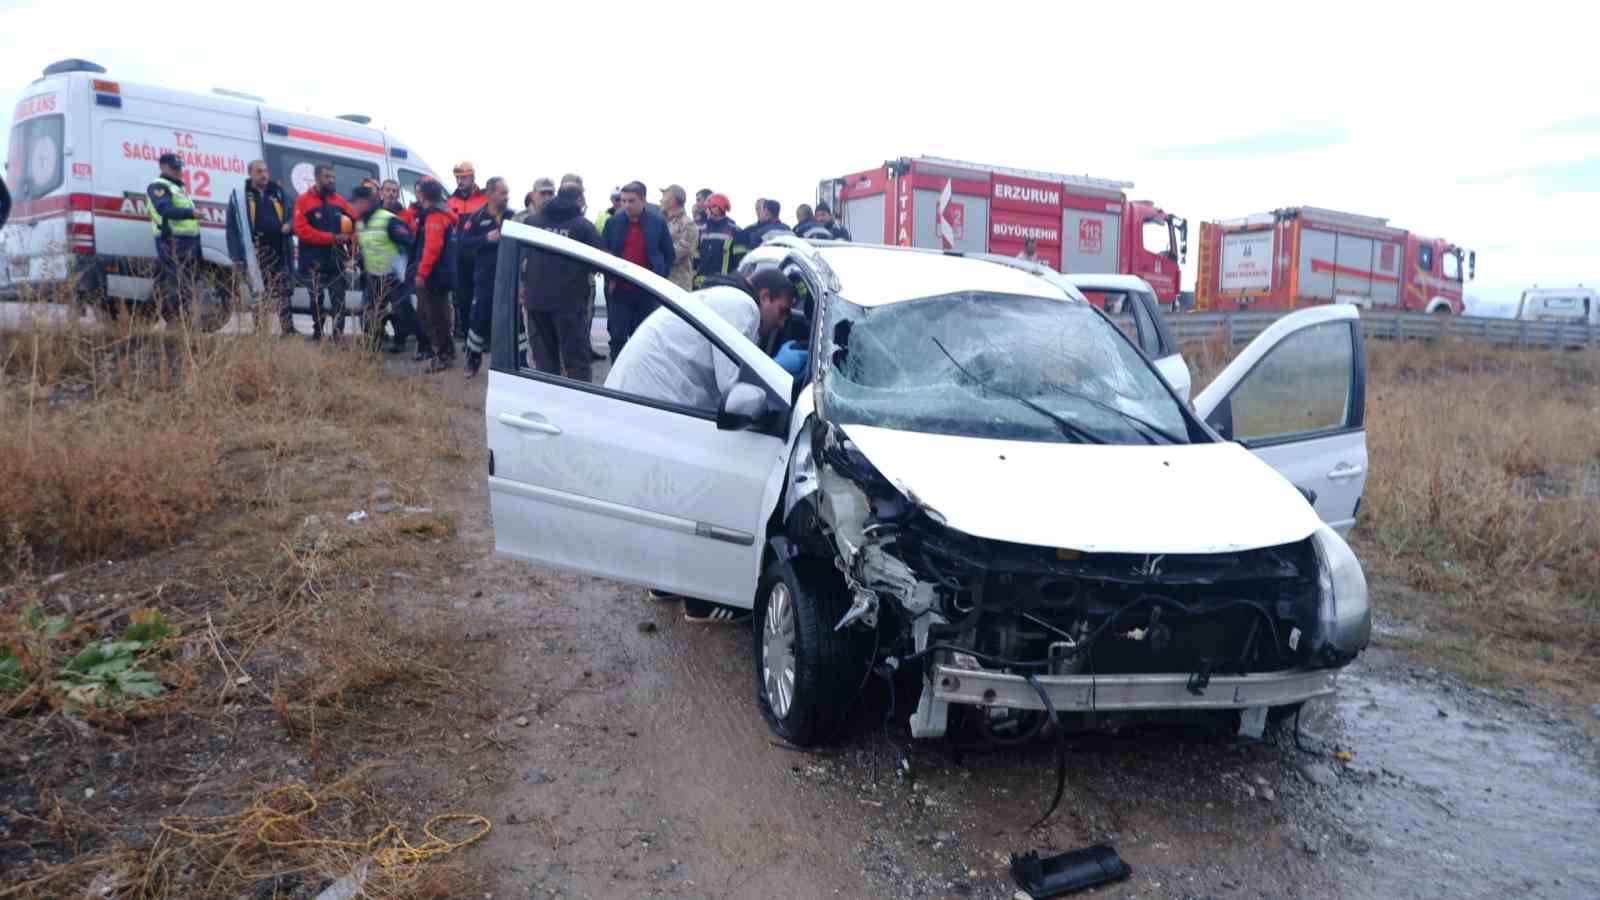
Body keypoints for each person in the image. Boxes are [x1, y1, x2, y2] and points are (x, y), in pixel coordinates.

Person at [524, 183, 603, 382]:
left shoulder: (532, 222)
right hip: (570, 304)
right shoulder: (583, 226)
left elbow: (519, 256)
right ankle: (581, 404)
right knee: (576, 361)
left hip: (536, 301)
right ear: (578, 200)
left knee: (545, 361)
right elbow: (599, 262)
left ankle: (550, 402)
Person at [601, 181, 675, 360]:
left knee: (642, 338)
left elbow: (669, 255)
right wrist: (609, 277)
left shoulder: (657, 223)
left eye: (631, 201)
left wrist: (659, 279)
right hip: (619, 291)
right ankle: (616, 380)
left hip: (646, 292)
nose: (626, 205)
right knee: (618, 337)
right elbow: (603, 253)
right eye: (623, 200)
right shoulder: (613, 223)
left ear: (643, 200)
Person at [225, 159, 295, 335]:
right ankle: (260, 331)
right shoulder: (240, 195)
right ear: (250, 174)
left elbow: (294, 214)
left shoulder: (278, 193)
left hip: (279, 252)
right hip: (254, 253)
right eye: (259, 171)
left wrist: (289, 224)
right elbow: (232, 228)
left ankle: (288, 330)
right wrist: (235, 255)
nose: (264, 174)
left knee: (283, 294)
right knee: (259, 294)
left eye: (265, 171)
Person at [292, 163, 358, 342]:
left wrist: (351, 248)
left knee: (339, 298)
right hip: (313, 259)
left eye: (333, 177)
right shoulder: (303, 201)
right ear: (317, 177)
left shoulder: (338, 200)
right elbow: (301, 230)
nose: (331, 180)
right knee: (316, 298)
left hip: (336, 259)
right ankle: (318, 332)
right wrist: (331, 238)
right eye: (327, 177)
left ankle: (338, 334)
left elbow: (355, 221)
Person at [350, 185, 414, 351]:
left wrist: (402, 266)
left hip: (393, 275)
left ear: (364, 202)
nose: (353, 206)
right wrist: (357, 261)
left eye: (356, 203)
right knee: (368, 312)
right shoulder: (360, 223)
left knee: (402, 311)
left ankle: (410, 343)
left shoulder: (387, 219)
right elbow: (366, 247)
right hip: (373, 275)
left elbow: (409, 243)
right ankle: (373, 345)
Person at [460, 176, 511, 377]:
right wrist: (485, 238)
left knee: (514, 323)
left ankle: (519, 365)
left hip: (508, 278)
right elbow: (464, 242)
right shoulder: (476, 217)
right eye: (503, 193)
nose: (507, 197)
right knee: (478, 319)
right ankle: (472, 362)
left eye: (507, 193)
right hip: (484, 279)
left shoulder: (512, 216)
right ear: (490, 194)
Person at [146, 153, 203, 321]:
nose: (179, 171)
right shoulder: (159, 186)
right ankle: (175, 321)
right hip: (171, 241)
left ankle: (179, 321)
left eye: (179, 168)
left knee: (184, 283)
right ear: (163, 167)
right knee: (176, 283)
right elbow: (165, 209)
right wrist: (191, 213)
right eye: (174, 168)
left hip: (187, 243)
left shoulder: (178, 188)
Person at [411, 179, 460, 372]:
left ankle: (442, 356)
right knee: (442, 314)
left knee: (433, 316)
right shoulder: (446, 214)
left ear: (422, 195)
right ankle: (447, 351)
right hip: (444, 273)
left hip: (434, 275)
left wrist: (421, 273)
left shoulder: (435, 217)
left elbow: (432, 248)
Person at [448, 162, 487, 343]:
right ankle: (465, 335)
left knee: (482, 298)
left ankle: (484, 337)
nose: (460, 181)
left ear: (472, 177)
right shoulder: (450, 201)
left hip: (480, 256)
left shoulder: (484, 199)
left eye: (464, 177)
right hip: (459, 257)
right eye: (458, 177)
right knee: (462, 299)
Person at [659, 184, 698, 291]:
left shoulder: (687, 224)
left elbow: (677, 253)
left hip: (677, 285)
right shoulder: (662, 222)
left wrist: (656, 256)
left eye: (664, 197)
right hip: (660, 282)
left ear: (672, 201)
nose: (660, 200)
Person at [732, 198, 789, 270]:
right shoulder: (788, 229)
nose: (758, 212)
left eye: (760, 209)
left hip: (762, 273)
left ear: (767, 212)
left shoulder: (758, 233)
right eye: (756, 209)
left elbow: (750, 258)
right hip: (785, 271)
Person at [695, 193, 738, 287]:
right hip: (700, 283)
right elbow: (696, 254)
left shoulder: (734, 230)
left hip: (723, 284)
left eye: (708, 208)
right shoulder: (701, 228)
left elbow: (738, 260)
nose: (706, 211)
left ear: (717, 208)